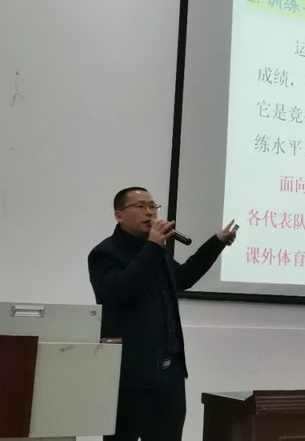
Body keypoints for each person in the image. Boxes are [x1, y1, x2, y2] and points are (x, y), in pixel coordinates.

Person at [88, 186, 238, 441]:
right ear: (119, 215)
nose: (150, 212)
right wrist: (154, 247)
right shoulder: (105, 253)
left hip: (169, 374)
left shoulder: (156, 251)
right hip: (129, 376)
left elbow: (184, 277)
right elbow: (122, 290)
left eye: (153, 206)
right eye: (141, 206)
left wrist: (217, 243)